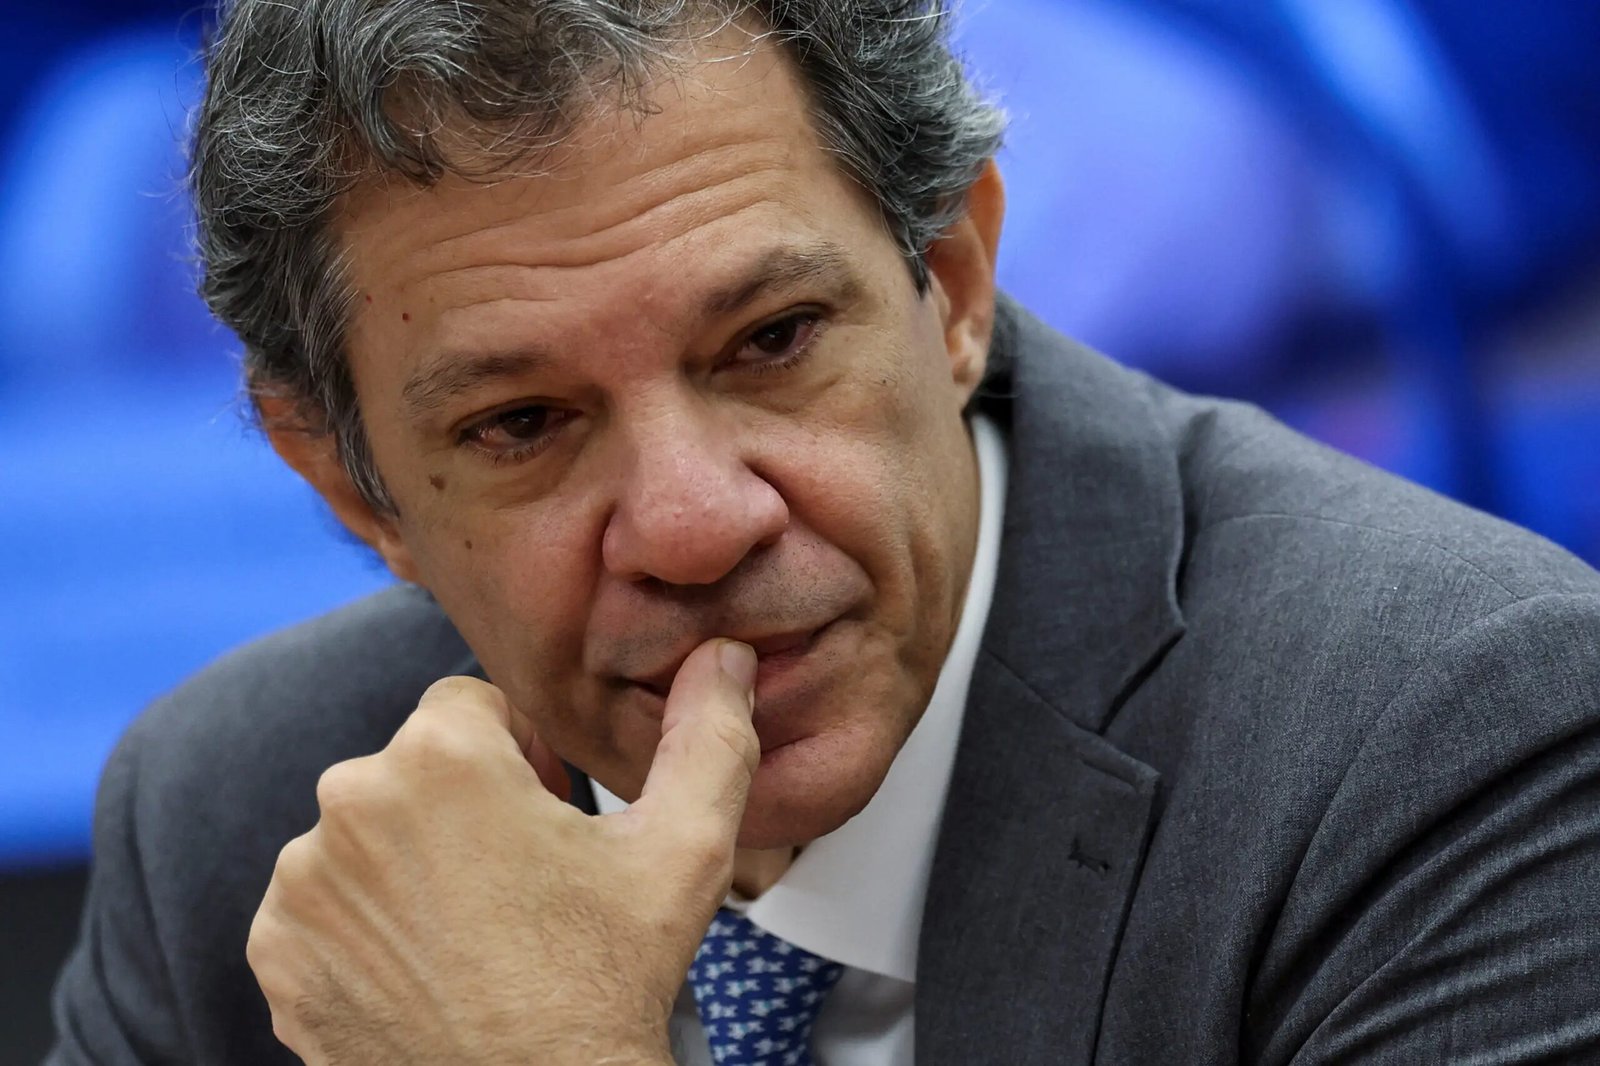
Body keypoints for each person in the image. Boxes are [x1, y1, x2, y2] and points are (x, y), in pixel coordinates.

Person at [47, 1, 1600, 1063]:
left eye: (773, 339)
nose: (693, 523)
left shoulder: (1441, 735)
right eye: (522, 423)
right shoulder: (235, 817)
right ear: (348, 481)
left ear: (956, 284)